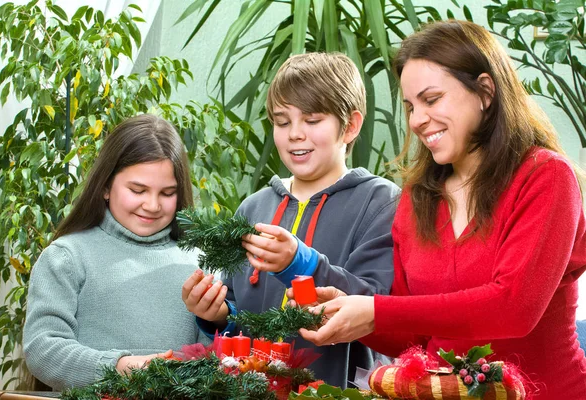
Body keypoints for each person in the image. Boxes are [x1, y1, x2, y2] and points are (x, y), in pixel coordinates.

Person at [297, 20, 586, 399]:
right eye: (410, 106)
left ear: (485, 91)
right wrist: (350, 315)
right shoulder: (419, 195)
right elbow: (411, 334)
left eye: (431, 100)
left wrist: (376, 311)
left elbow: (513, 308)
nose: (417, 120)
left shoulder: (546, 176)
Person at [182, 52, 401, 388]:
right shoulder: (253, 208)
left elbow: (379, 306)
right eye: (282, 122)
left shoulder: (380, 202)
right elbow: (238, 310)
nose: (295, 134)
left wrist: (299, 263)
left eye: (312, 120)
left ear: (351, 126)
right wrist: (216, 314)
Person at [24, 114, 210, 390]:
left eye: (167, 193)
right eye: (138, 190)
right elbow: (43, 348)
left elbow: (216, 359)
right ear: (106, 187)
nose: (152, 205)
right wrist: (119, 368)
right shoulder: (67, 257)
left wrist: (217, 319)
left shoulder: (198, 263)